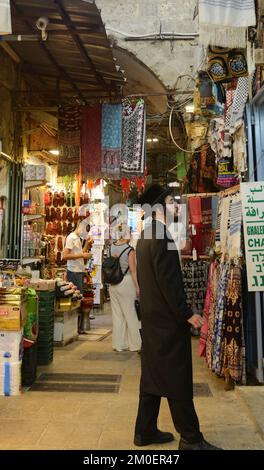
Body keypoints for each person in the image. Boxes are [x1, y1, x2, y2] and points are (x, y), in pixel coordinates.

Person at [134, 184, 221, 450]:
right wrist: (186, 314)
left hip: (152, 320)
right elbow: (170, 283)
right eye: (172, 201)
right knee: (177, 379)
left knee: (152, 376)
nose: (175, 207)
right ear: (159, 207)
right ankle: (191, 439)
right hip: (167, 323)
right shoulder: (162, 237)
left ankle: (145, 430)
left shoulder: (146, 235)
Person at [109, 223, 141, 352]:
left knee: (117, 315)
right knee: (131, 314)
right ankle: (136, 344)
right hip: (126, 283)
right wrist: (138, 287)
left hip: (113, 284)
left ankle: (118, 344)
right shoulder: (129, 250)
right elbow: (133, 271)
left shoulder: (112, 247)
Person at [63, 220, 92, 333]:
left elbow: (80, 253)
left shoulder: (77, 238)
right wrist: (82, 255)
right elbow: (65, 256)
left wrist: (87, 245)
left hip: (78, 271)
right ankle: (75, 328)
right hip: (73, 272)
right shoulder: (71, 238)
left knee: (78, 298)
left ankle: (77, 327)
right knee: (76, 298)